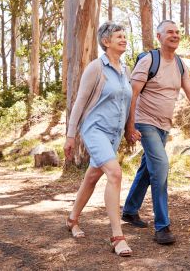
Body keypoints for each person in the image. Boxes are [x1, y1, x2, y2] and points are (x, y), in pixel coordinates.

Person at [122, 20, 190, 245]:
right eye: (169, 32)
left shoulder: (180, 64)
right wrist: (129, 126)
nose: (175, 35)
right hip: (145, 122)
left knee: (146, 167)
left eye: (177, 32)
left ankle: (130, 210)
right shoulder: (149, 60)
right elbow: (132, 95)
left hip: (164, 125)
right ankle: (162, 226)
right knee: (160, 167)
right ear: (159, 37)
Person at [63, 21, 135, 257]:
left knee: (93, 176)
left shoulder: (125, 70)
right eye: (118, 37)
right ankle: (117, 236)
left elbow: (127, 102)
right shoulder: (96, 67)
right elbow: (80, 102)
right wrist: (70, 135)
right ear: (106, 42)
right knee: (114, 173)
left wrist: (128, 130)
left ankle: (72, 219)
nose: (124, 39)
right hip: (94, 130)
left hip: (113, 134)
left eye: (125, 36)